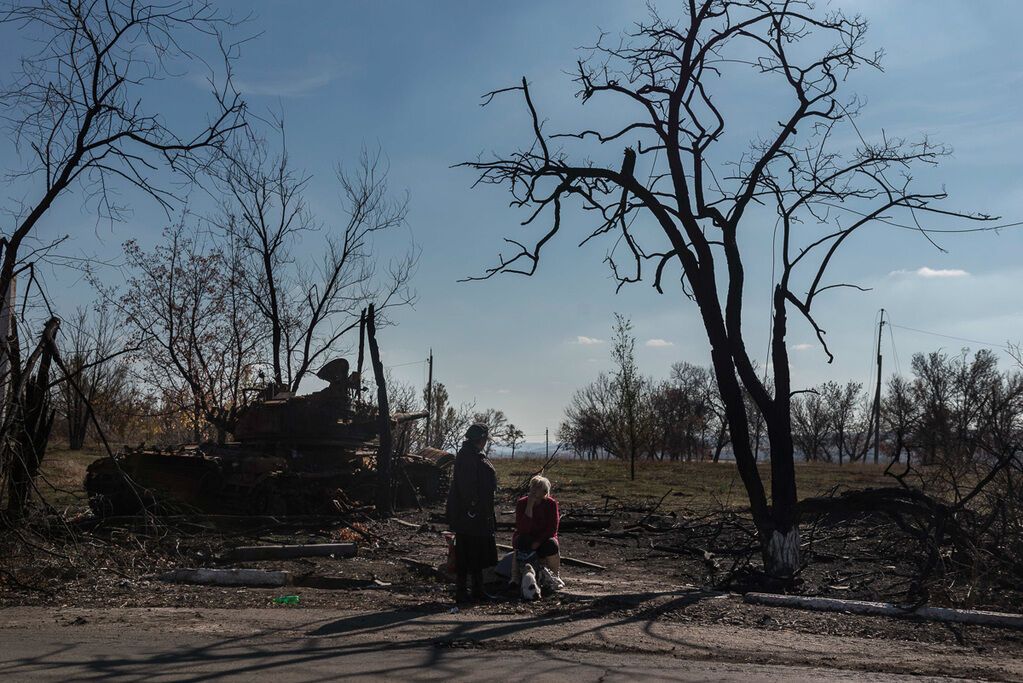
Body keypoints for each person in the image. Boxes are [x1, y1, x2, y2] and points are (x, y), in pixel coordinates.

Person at [446, 423, 498, 603]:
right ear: (480, 439)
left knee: (474, 551)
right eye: (484, 439)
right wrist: (473, 507)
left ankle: (476, 589)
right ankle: (464, 591)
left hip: (475, 513)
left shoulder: (472, 454)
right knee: (468, 551)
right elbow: (468, 486)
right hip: (470, 515)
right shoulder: (469, 456)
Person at [513, 474, 560, 579]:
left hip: (543, 538)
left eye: (538, 487)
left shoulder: (551, 504)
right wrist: (529, 506)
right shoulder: (522, 503)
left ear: (544, 491)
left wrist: (538, 542)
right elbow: (522, 529)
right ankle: (516, 576)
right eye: (533, 486)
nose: (534, 490)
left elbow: (552, 528)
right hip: (527, 537)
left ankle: (554, 575)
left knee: (552, 544)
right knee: (521, 540)